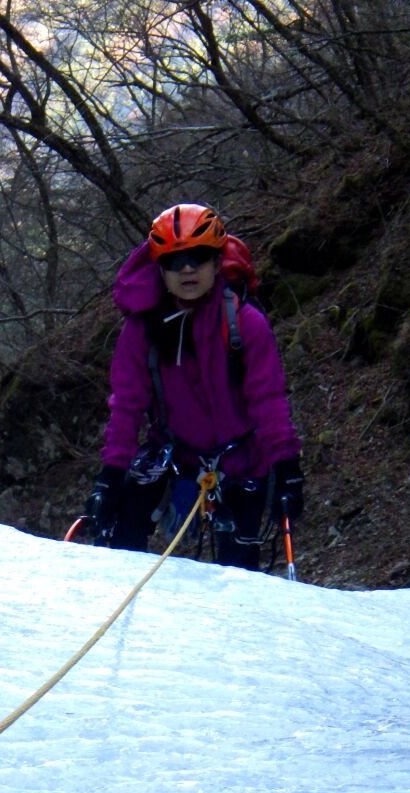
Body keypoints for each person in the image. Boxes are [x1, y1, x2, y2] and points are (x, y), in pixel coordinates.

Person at [85, 203, 303, 570]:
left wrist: (286, 466)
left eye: (198, 257)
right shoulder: (143, 330)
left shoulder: (245, 324)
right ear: (160, 269)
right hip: (172, 453)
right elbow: (127, 406)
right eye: (174, 261)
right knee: (121, 532)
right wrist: (111, 476)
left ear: (217, 263)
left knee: (240, 569)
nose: (187, 269)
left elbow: (268, 401)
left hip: (241, 459)